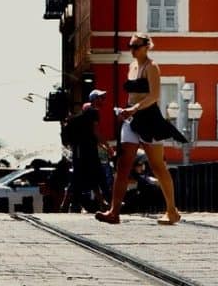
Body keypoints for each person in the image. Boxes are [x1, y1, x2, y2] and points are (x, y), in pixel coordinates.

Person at [95, 34, 184, 226]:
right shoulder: (132, 67)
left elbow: (154, 95)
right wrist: (126, 111)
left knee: (158, 166)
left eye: (136, 46)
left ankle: (171, 210)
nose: (132, 50)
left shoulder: (152, 67)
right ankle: (114, 212)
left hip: (149, 119)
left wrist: (134, 108)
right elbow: (133, 94)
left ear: (146, 47)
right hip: (131, 120)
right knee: (123, 164)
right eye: (130, 46)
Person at [66, 90, 111, 212]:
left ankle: (102, 202)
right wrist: (108, 147)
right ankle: (106, 202)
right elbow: (96, 132)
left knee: (92, 176)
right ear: (94, 99)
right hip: (85, 150)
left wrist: (103, 146)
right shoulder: (93, 112)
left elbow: (90, 133)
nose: (102, 100)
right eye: (100, 98)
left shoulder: (87, 110)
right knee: (90, 176)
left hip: (82, 149)